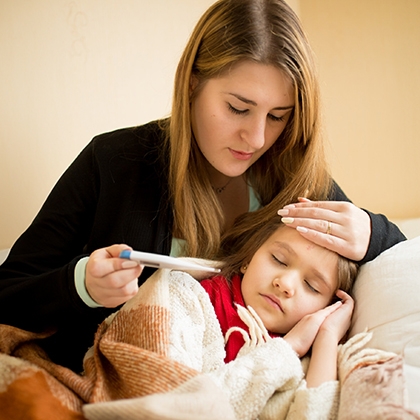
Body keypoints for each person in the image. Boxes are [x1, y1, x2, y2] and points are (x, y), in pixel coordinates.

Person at [0, 0, 404, 372]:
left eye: (278, 116)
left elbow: (400, 259)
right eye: (238, 109)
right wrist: (82, 284)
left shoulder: (295, 178)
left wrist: (372, 232)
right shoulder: (114, 162)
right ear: (193, 83)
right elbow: (9, 291)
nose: (258, 138)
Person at [202, 217, 358, 389]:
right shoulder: (196, 298)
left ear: (327, 308)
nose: (285, 284)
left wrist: (327, 335)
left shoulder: (308, 359)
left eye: (311, 286)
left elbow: (314, 411)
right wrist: (291, 346)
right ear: (249, 258)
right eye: (279, 259)